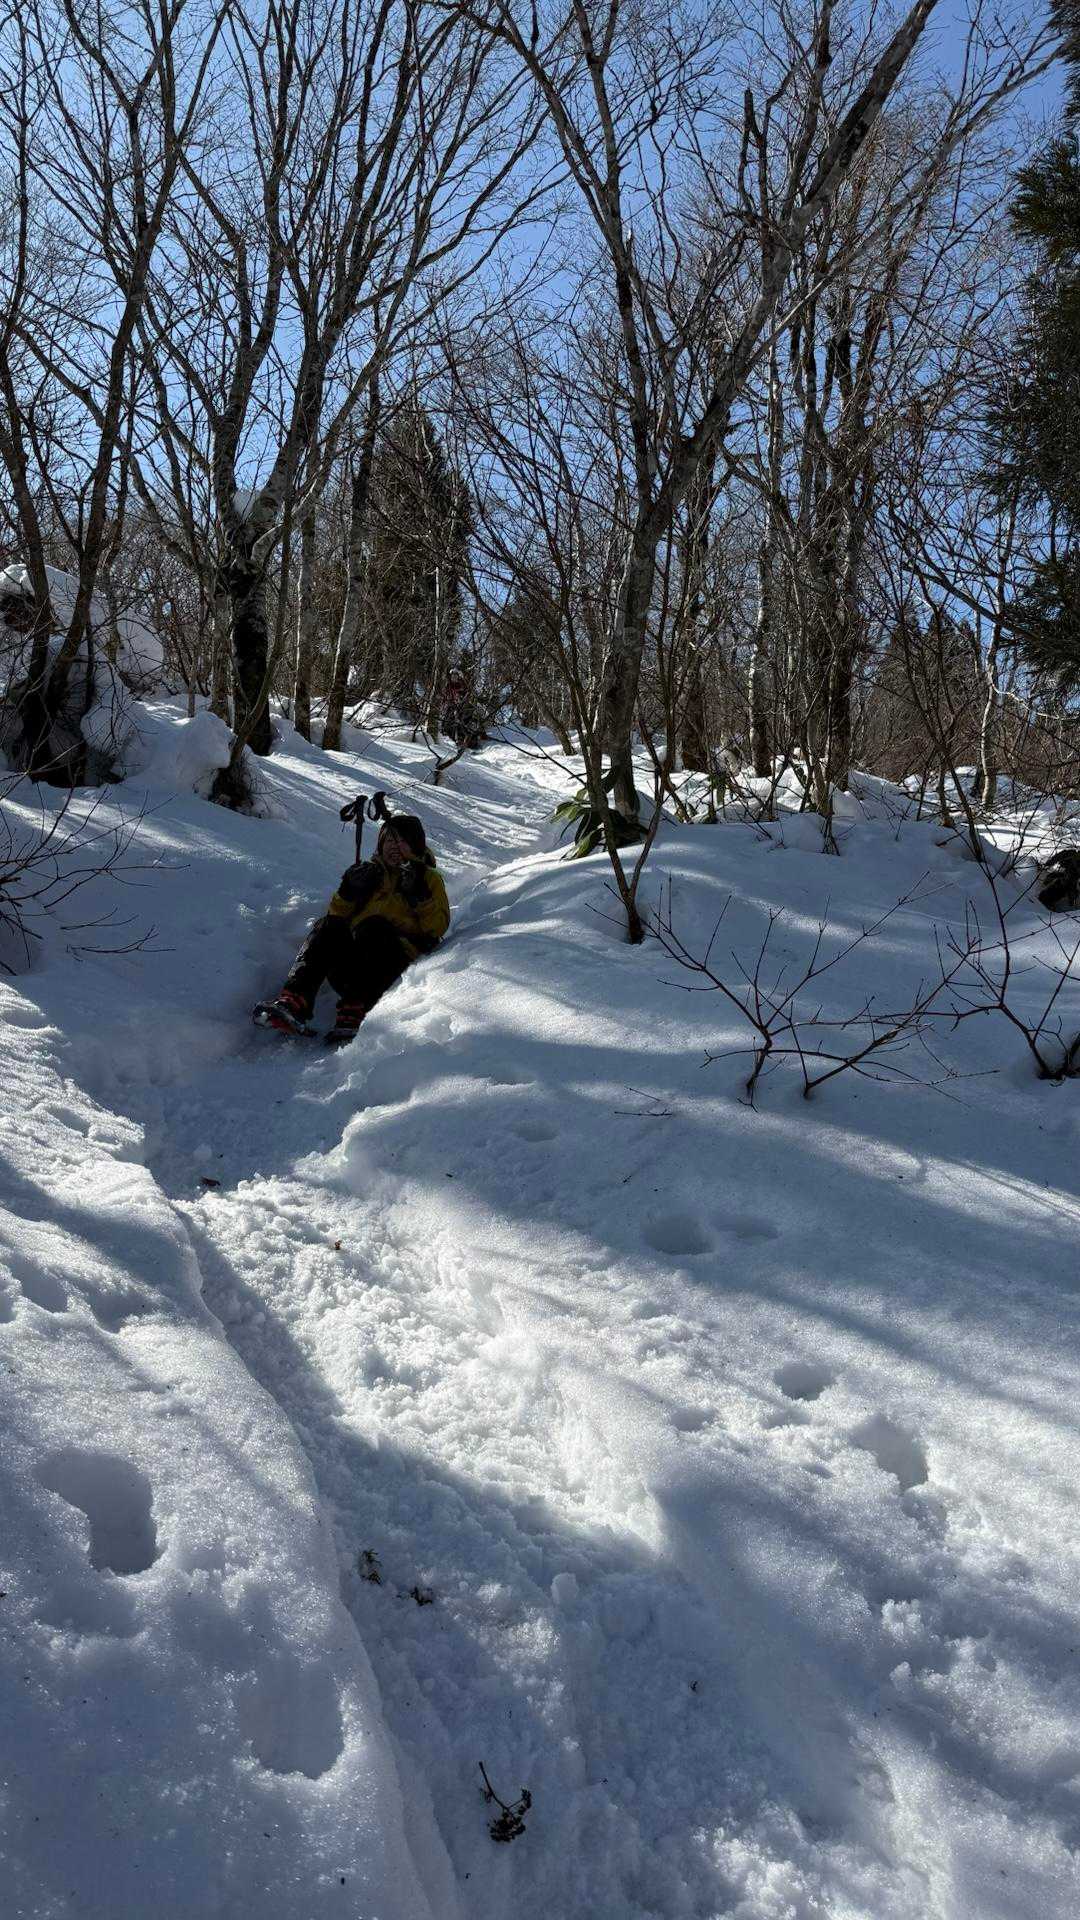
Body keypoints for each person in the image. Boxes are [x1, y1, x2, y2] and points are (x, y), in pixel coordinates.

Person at [254, 813, 450, 1045]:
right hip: (353, 967)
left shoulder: (428, 878)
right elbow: (337, 917)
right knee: (327, 925)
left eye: (401, 841)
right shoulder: (370, 873)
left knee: (374, 927)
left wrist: (420, 898)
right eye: (389, 840)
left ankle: (354, 1009)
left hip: (392, 968)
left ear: (415, 845)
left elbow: (437, 928)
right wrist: (348, 891)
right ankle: (294, 1001)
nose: (394, 847)